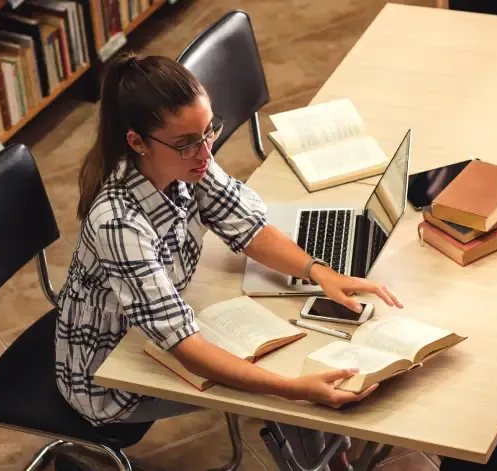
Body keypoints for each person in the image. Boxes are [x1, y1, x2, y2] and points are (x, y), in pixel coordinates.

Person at [54, 52, 404, 471]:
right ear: (137, 142)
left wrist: (321, 273)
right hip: (112, 377)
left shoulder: (185, 160)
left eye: (208, 133)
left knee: (295, 355)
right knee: (290, 389)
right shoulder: (119, 225)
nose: (204, 152)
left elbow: (249, 228)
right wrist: (292, 392)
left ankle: (334, 457)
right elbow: (184, 346)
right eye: (188, 142)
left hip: (155, 334)